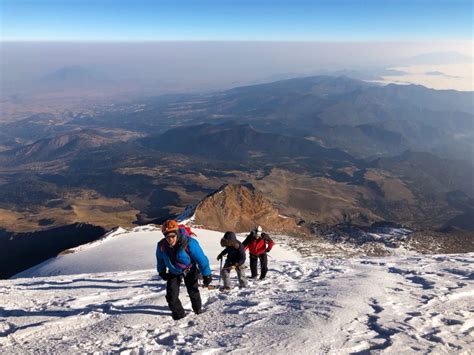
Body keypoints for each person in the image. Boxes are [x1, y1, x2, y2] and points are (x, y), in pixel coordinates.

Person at [156, 219, 212, 320]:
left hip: (189, 269)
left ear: (177, 233)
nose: (170, 239)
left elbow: (202, 259)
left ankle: (197, 310)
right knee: (171, 296)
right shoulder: (162, 246)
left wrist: (206, 274)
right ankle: (179, 315)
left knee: (193, 291)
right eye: (167, 237)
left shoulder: (189, 243)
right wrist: (161, 271)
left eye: (172, 236)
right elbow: (160, 259)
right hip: (173, 271)